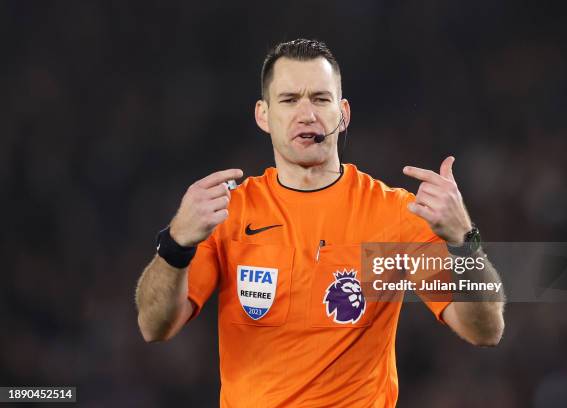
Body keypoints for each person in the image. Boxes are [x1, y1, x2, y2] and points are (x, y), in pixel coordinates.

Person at [135, 39, 505, 407]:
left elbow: (484, 329)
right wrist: (176, 243)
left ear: (342, 114)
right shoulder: (229, 213)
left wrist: (464, 242)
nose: (307, 113)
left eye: (321, 99)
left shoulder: (395, 215)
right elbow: (154, 326)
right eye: (290, 99)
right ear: (263, 115)